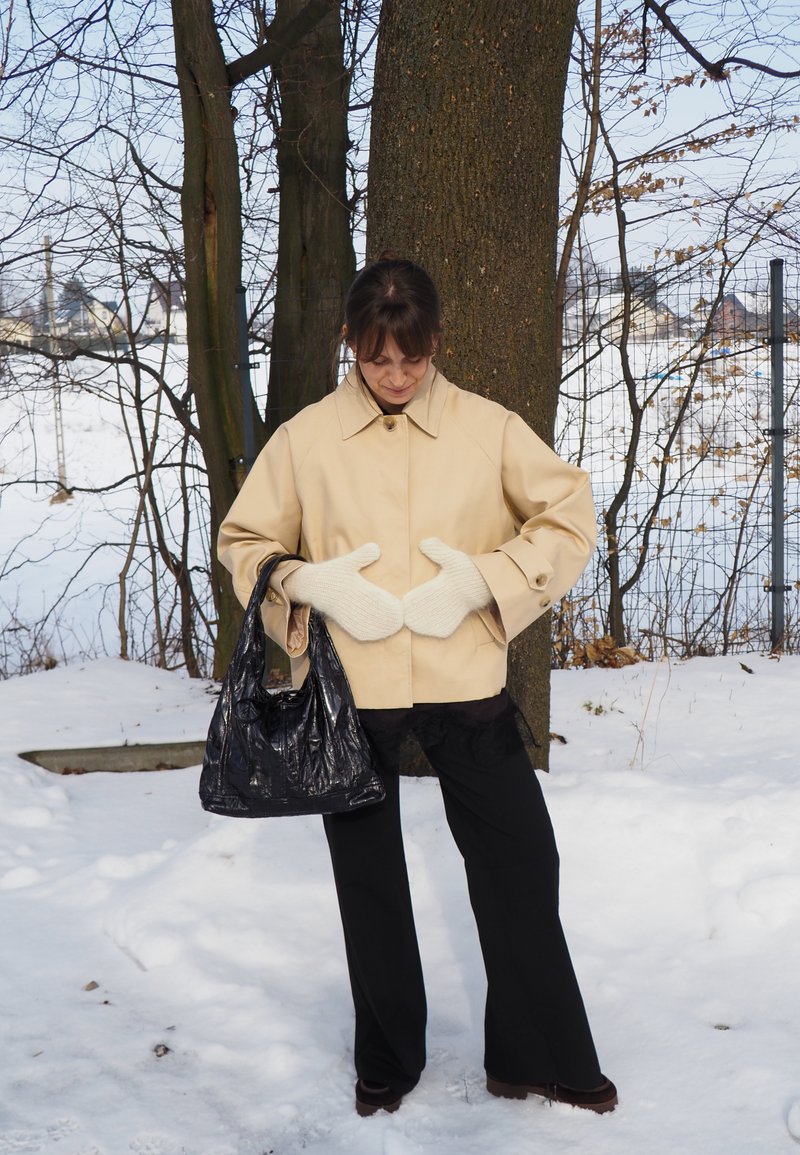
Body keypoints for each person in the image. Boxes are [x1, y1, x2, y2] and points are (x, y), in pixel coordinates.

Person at [218, 257, 617, 1117]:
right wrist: (307, 582)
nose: (394, 376)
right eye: (374, 358)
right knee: (369, 877)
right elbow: (243, 539)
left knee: (520, 861)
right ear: (348, 345)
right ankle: (388, 1059)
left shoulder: (488, 428)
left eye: (409, 357)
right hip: (350, 692)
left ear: (436, 341)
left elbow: (570, 514)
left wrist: (487, 580)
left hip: (463, 682)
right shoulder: (305, 438)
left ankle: (535, 1055)